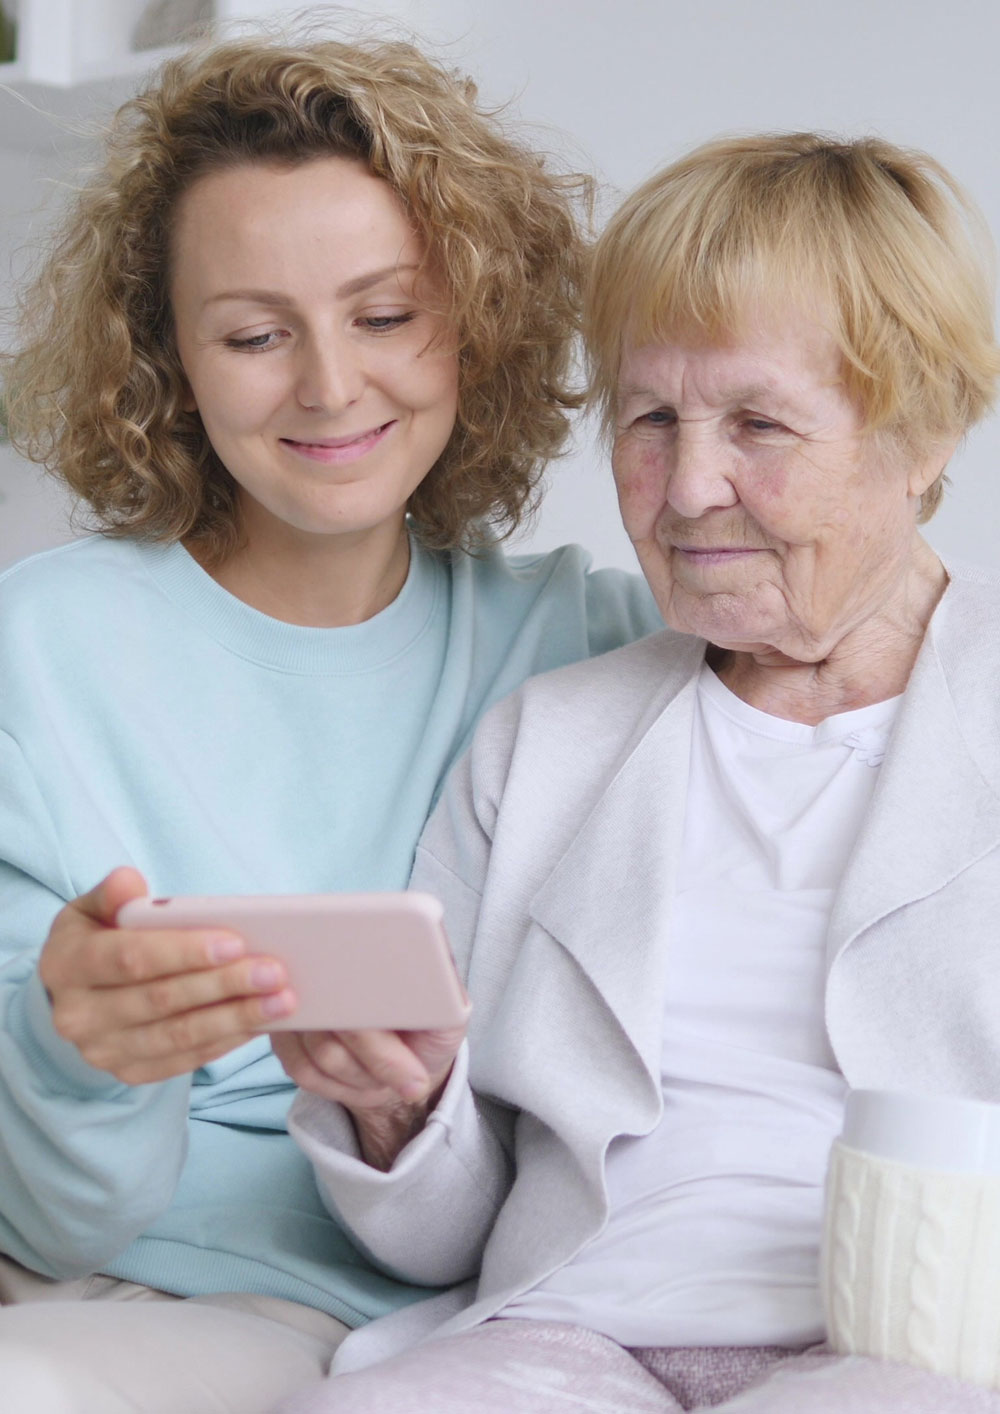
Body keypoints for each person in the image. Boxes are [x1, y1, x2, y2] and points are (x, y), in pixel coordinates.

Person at [279, 133, 1000, 1413]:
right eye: (650, 418)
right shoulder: (545, 745)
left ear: (922, 432)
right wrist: (395, 1112)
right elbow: (442, 1237)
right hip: (568, 1330)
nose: (689, 487)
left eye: (758, 423)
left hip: (899, 1345)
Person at [0, 31, 661, 1414]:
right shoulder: (37, 655)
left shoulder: (589, 644)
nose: (327, 386)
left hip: (492, 1326)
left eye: (384, 314)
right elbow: (59, 1233)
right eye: (253, 334)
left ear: (478, 318)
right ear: (166, 358)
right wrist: (77, 1054)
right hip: (133, 1299)